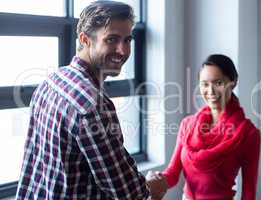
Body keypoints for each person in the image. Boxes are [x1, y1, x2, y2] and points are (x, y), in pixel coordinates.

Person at [16, 1, 165, 199]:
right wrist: (154, 187)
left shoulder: (51, 81)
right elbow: (129, 195)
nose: (122, 50)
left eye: (127, 40)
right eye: (112, 39)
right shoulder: (92, 104)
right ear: (85, 40)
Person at [150, 54, 261, 200]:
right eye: (204, 84)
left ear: (233, 82)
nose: (211, 91)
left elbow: (249, 192)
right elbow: (172, 174)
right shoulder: (187, 125)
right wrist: (154, 181)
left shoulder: (248, 134)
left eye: (218, 83)